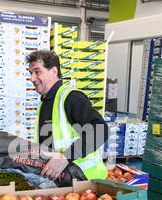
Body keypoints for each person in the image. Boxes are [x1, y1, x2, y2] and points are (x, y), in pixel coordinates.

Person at [26, 50, 108, 181]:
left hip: (86, 182)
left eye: (37, 71)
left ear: (54, 72)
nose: (32, 78)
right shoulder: (44, 104)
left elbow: (100, 130)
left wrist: (65, 157)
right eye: (31, 73)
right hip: (63, 181)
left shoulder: (71, 97)